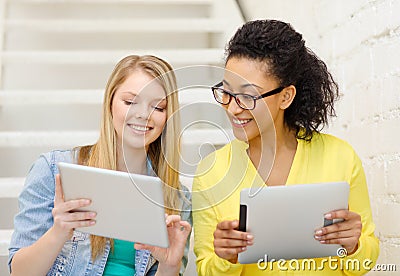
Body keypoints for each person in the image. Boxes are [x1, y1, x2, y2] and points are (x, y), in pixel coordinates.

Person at [192, 20, 379, 275]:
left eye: (248, 97)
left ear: (286, 96)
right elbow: (206, 269)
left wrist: (354, 245)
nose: (233, 108)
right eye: (226, 92)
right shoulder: (210, 172)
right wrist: (228, 258)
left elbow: (365, 263)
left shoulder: (341, 158)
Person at [9, 55, 192, 276]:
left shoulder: (177, 197)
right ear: (110, 103)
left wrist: (169, 266)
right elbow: (19, 273)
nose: (144, 115)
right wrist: (59, 231)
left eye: (159, 107)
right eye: (130, 102)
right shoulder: (53, 170)